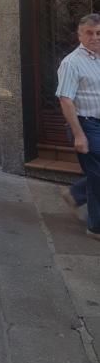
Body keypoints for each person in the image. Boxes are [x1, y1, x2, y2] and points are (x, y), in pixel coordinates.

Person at [57, 13, 100, 240]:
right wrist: (79, 134)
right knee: (98, 175)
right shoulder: (71, 63)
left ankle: (75, 193)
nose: (95, 38)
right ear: (80, 35)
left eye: (99, 33)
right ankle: (95, 227)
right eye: (89, 33)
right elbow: (65, 99)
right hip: (86, 125)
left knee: (97, 175)